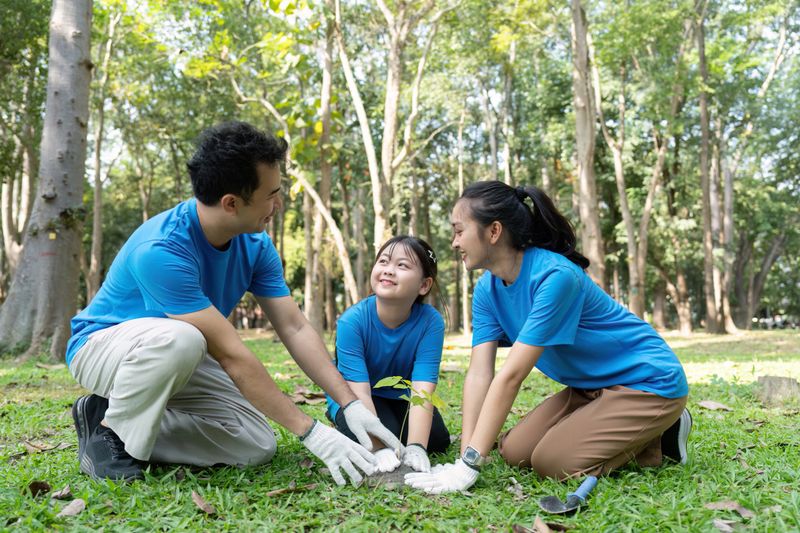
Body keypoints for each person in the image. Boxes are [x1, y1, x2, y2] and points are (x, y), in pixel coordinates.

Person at [66, 121, 400, 485]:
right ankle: (111, 436)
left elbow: (294, 326)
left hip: (180, 356)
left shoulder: (254, 244)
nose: (279, 203)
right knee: (183, 338)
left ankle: (105, 415)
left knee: (255, 444)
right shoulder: (161, 250)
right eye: (271, 194)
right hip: (103, 348)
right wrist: (312, 433)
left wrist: (349, 404)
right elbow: (230, 354)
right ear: (231, 203)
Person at [405, 181, 691, 494]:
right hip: (590, 387)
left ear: (494, 231)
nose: (454, 242)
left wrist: (470, 464)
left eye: (459, 231)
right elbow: (479, 373)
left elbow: (511, 376)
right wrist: (466, 457)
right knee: (514, 451)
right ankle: (633, 429)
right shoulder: (487, 288)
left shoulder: (555, 276)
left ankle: (660, 429)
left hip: (648, 382)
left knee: (552, 464)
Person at [326, 236, 450, 474]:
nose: (389, 270)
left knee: (437, 441)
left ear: (424, 285)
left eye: (402, 265)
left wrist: (416, 446)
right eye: (383, 261)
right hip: (354, 397)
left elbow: (422, 389)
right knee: (386, 435)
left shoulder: (431, 322)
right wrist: (379, 448)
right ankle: (337, 417)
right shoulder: (352, 321)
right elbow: (359, 392)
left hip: (398, 394)